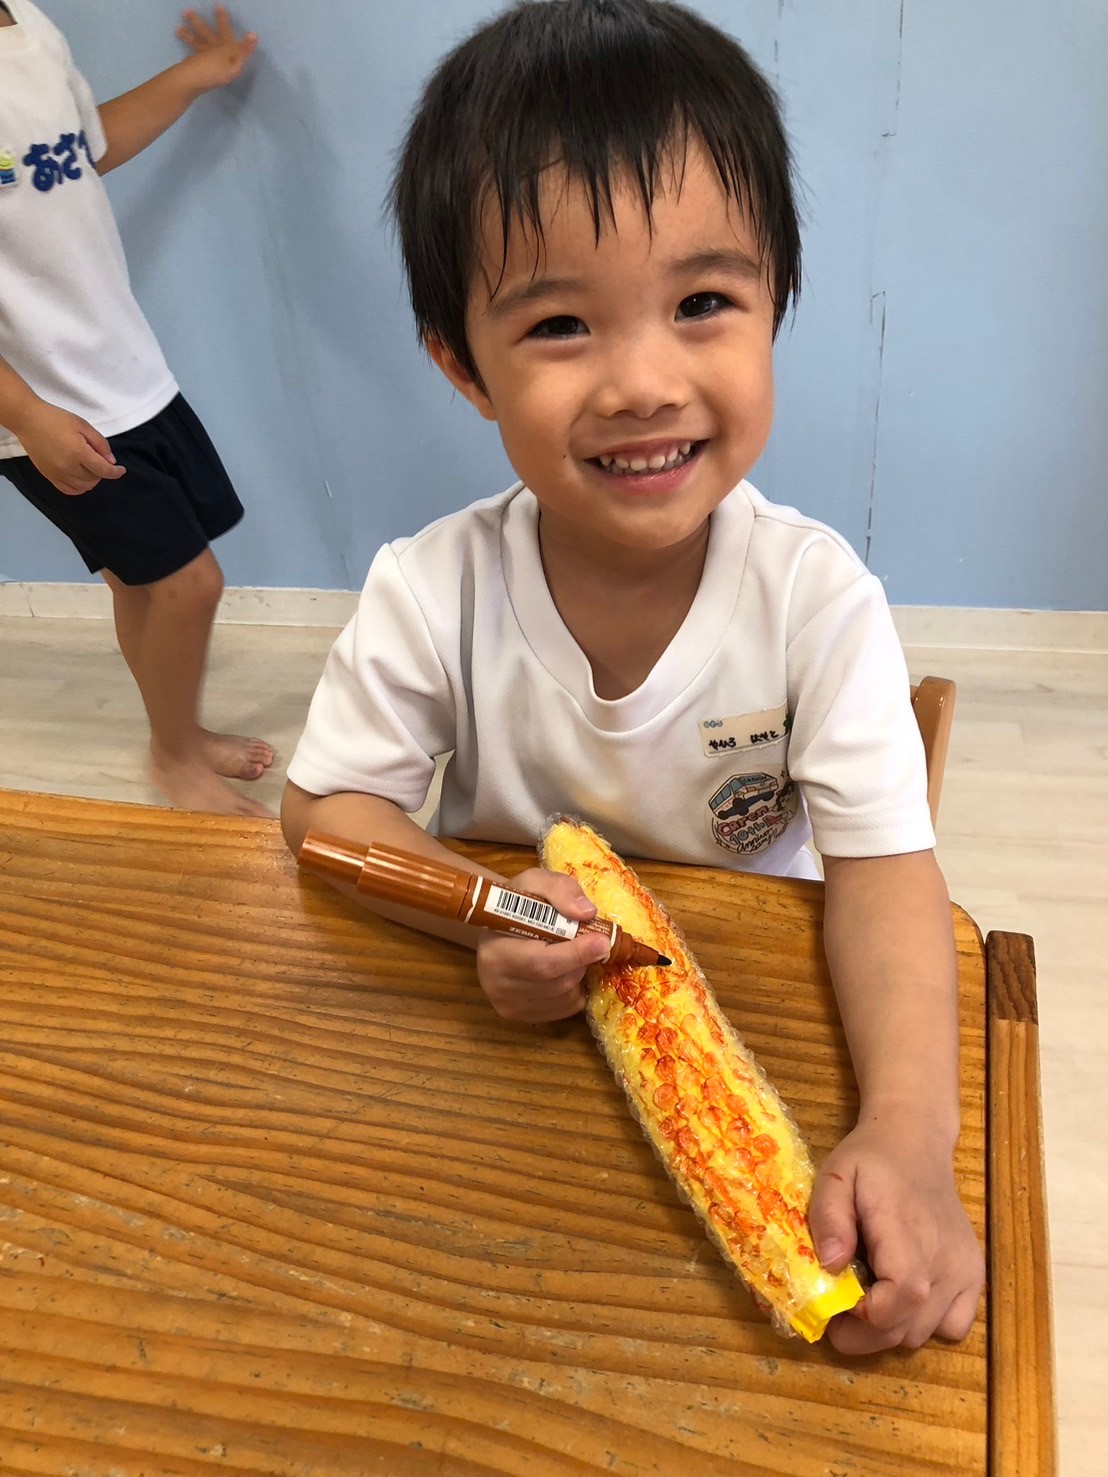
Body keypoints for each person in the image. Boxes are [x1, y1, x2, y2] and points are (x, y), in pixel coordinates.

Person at [281, 0, 985, 1355]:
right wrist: (483, 915)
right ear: (462, 366)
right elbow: (324, 818)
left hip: (767, 1025)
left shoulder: (816, 600)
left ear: (777, 302)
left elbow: (888, 876)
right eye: (560, 325)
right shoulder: (430, 591)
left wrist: (908, 1130)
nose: (644, 382)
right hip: (515, 1073)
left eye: (703, 303)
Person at [0, 2, 274, 817]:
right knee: (191, 584)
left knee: (140, 585)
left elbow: (82, 150)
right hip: (44, 406)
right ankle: (174, 759)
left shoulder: (29, 23)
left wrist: (191, 78)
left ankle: (176, 729)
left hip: (126, 370)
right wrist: (27, 416)